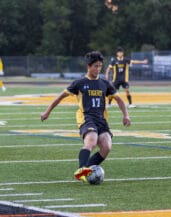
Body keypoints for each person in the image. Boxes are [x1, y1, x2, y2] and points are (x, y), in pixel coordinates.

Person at [41, 51, 131, 182]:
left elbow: (119, 100)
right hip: (86, 118)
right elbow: (61, 96)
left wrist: (126, 115)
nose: (98, 69)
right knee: (92, 140)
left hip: (101, 120)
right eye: (96, 66)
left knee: (106, 147)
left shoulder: (105, 83)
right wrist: (47, 112)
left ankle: (86, 169)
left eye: (100, 66)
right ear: (88, 66)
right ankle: (82, 168)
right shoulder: (80, 83)